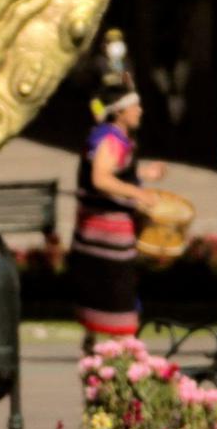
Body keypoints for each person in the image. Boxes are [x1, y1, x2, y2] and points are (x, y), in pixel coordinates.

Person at [69, 83, 165, 341]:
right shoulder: (112, 140)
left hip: (94, 232)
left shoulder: (107, 136)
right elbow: (101, 178)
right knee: (118, 299)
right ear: (120, 111)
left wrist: (144, 174)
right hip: (107, 235)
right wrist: (139, 193)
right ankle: (125, 357)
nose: (140, 111)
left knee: (99, 298)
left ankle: (95, 354)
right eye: (135, 106)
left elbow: (113, 171)